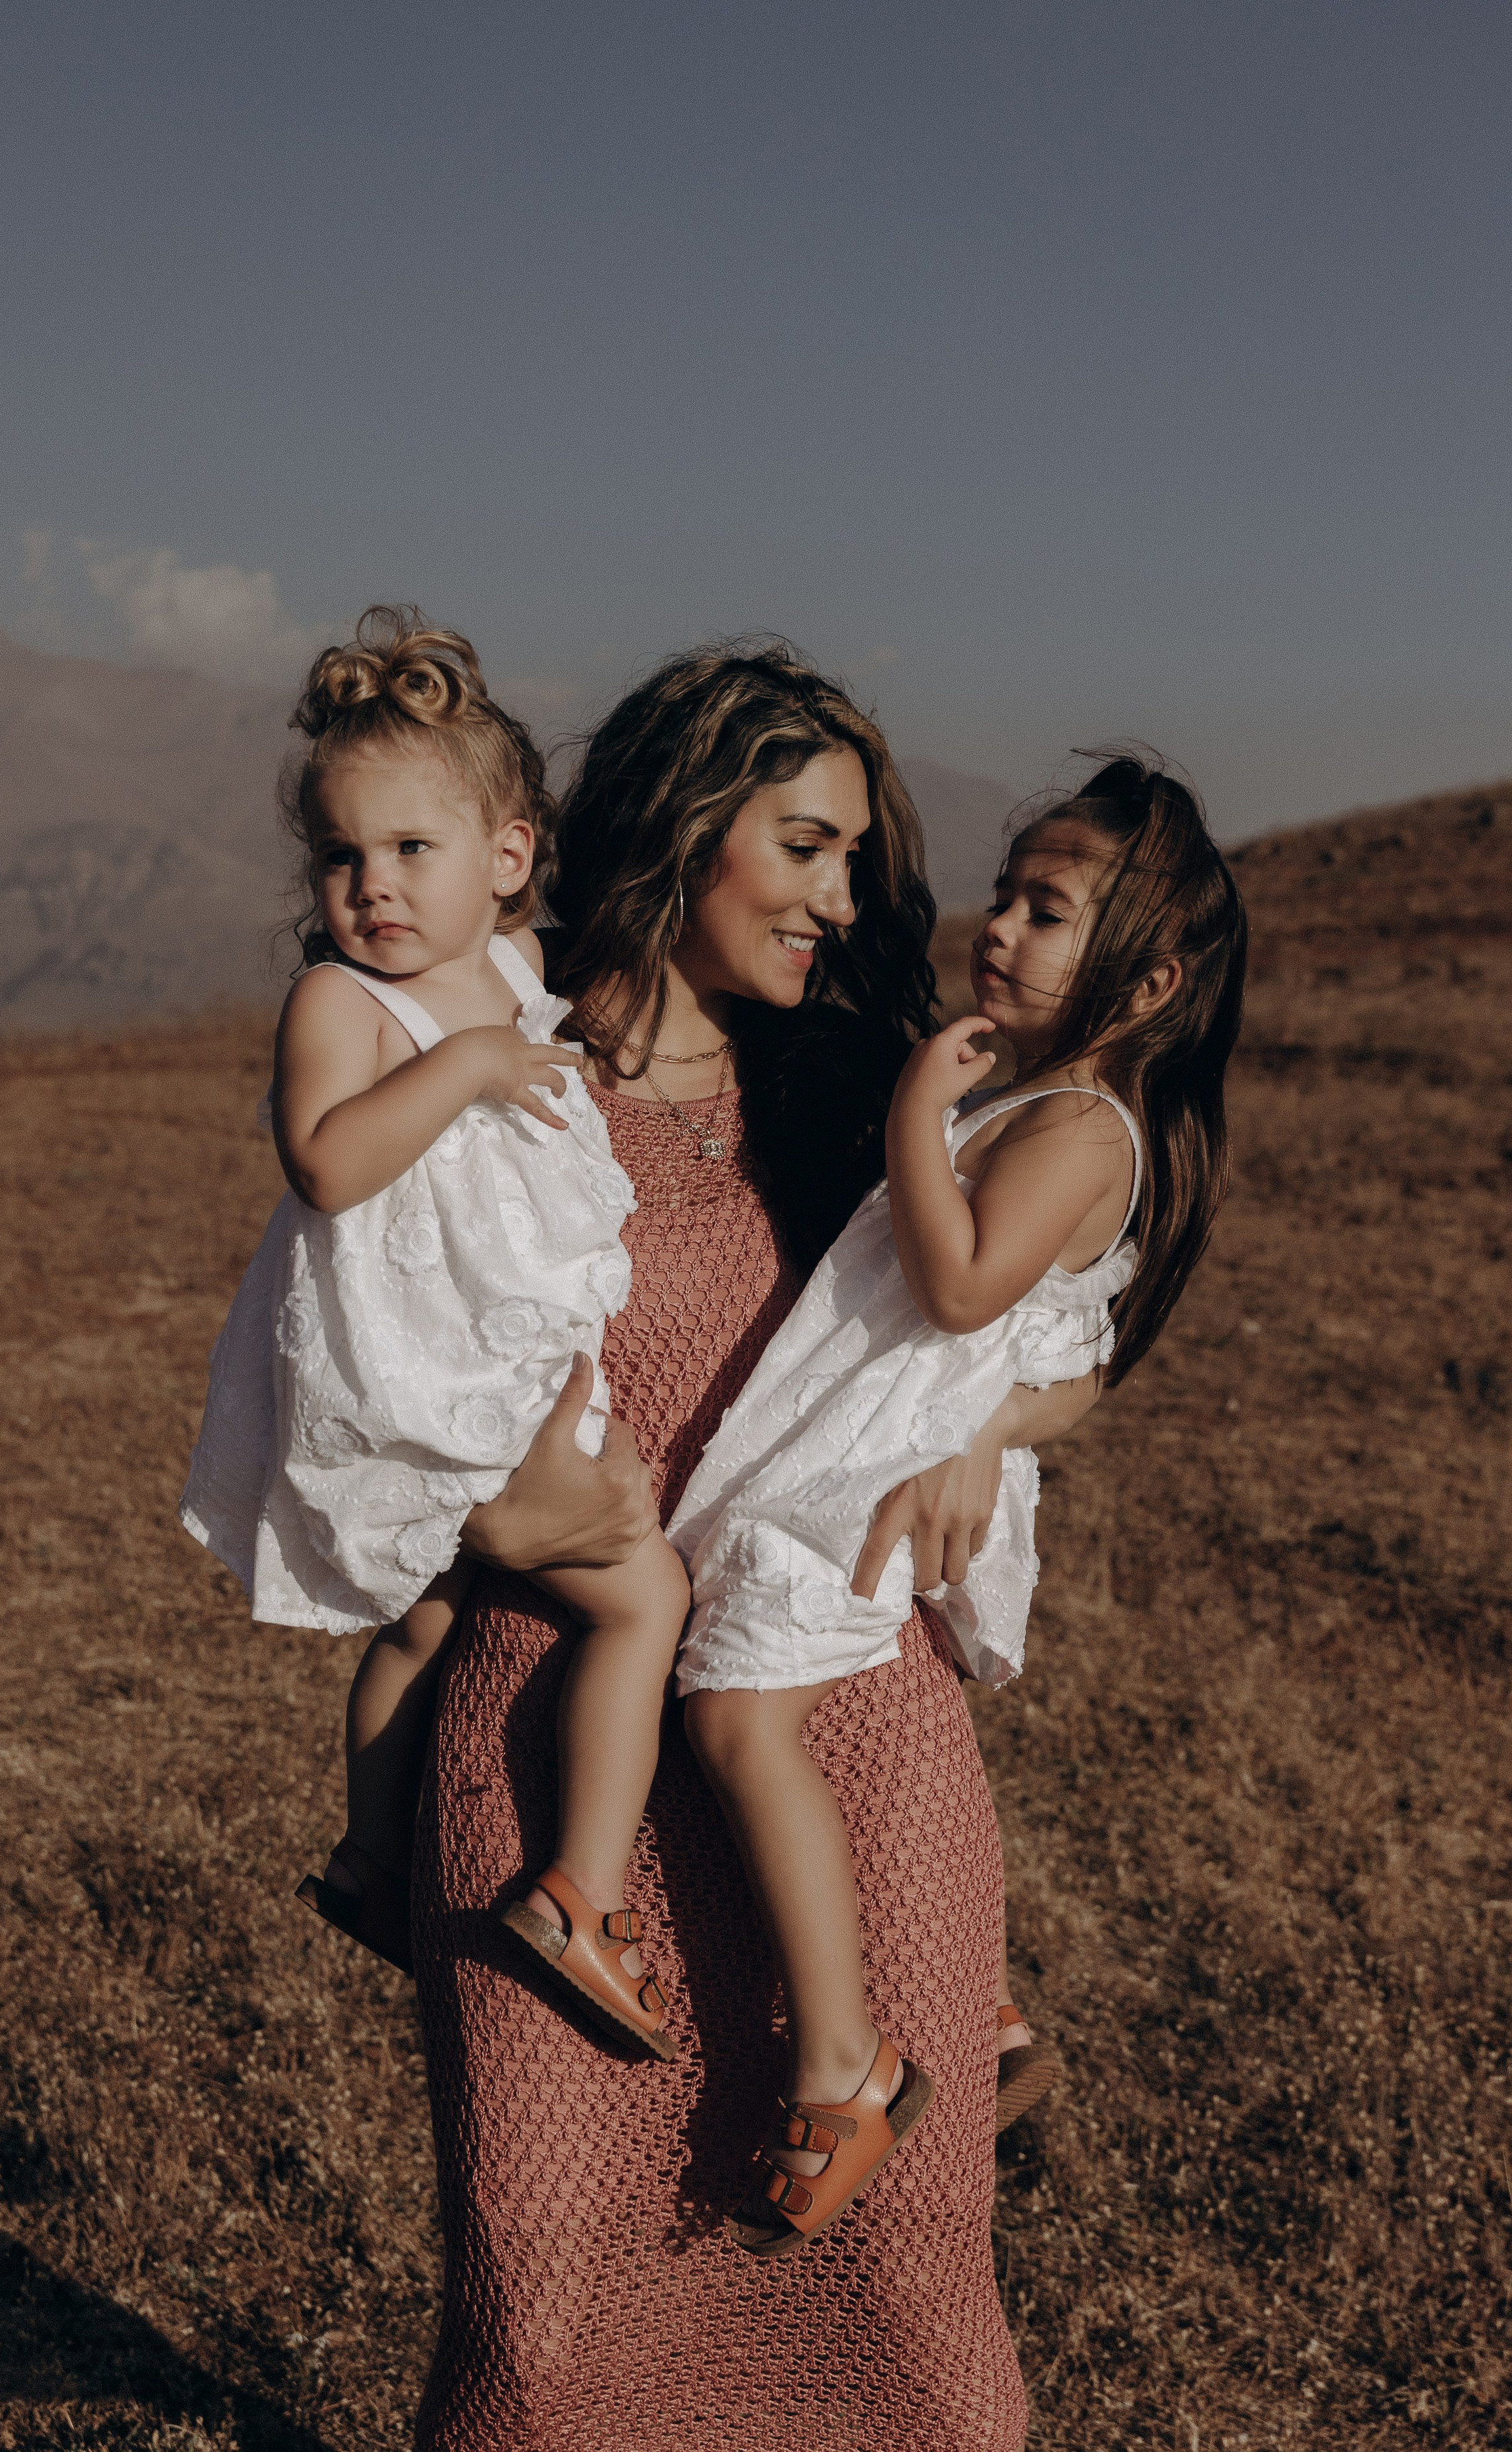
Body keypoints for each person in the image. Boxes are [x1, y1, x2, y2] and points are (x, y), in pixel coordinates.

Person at [409, 642, 1097, 2452]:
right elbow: (354, 1385)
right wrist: (489, 1510)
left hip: (849, 1732)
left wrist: (984, 1430)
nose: (839, 898)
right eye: (804, 846)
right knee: (543, 2317)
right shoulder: (480, 1073)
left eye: (855, 859)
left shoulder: (860, 1098)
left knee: (906, 2299)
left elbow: (1063, 1337)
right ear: (689, 823)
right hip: (569, 1754)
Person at [669, 753, 1248, 2254]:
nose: (998, 928)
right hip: (851, 1448)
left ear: (1146, 979)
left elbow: (962, 1281)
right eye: (1005, 894)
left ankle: (845, 2063)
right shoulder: (1039, 1101)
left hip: (874, 1477)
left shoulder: (1075, 1129)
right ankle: (927, 2001)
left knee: (742, 1717)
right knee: (755, 1711)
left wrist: (914, 1117)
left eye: (1045, 911)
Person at [180, 607, 689, 2056]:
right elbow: (327, 1164)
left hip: (488, 1359)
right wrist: (464, 1065)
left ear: (509, 861)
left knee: (429, 1614)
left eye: (411, 851)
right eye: (342, 856)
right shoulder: (340, 1002)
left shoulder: (520, 976)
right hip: (412, 1371)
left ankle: (371, 1865)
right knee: (639, 1598)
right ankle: (580, 1892)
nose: (372, 887)